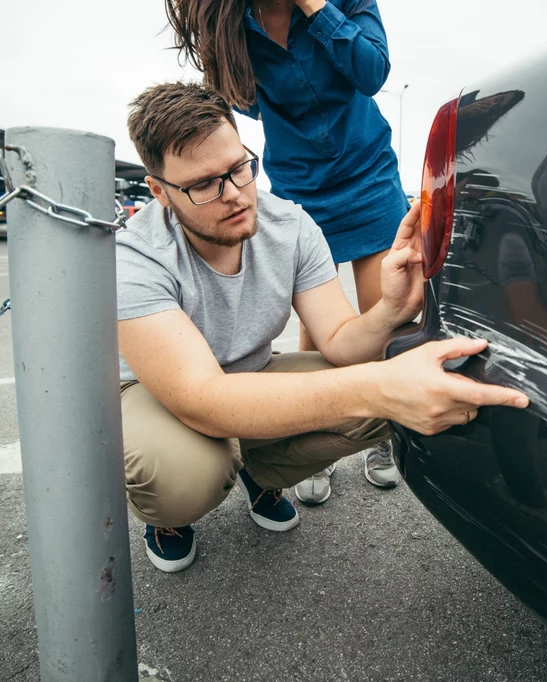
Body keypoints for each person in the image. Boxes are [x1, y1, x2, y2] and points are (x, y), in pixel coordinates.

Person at [118, 81, 529, 572]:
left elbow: (339, 344)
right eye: (204, 184)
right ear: (160, 191)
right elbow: (201, 399)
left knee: (385, 390)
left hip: (248, 374)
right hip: (159, 393)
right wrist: (377, 388)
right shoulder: (135, 255)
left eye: (239, 169)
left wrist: (391, 310)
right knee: (185, 476)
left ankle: (261, 474)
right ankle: (169, 517)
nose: (234, 196)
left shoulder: (289, 224)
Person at [164, 0, 409, 502]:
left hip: (367, 172)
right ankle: (307, 440)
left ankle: (387, 436)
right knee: (317, 323)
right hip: (299, 182)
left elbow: (372, 71)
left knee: (383, 312)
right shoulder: (235, 25)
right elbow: (242, 100)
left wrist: (316, 8)